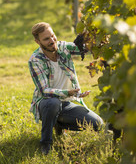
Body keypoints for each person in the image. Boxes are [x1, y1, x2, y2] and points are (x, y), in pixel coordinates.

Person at [28, 22, 103, 155]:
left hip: (65, 103)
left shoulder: (63, 47)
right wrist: (67, 92)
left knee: (97, 123)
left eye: (52, 36)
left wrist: (92, 38)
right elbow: (45, 91)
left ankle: (57, 123)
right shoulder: (35, 60)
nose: (52, 40)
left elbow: (85, 49)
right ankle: (46, 142)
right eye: (46, 39)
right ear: (37, 41)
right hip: (45, 102)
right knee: (53, 103)